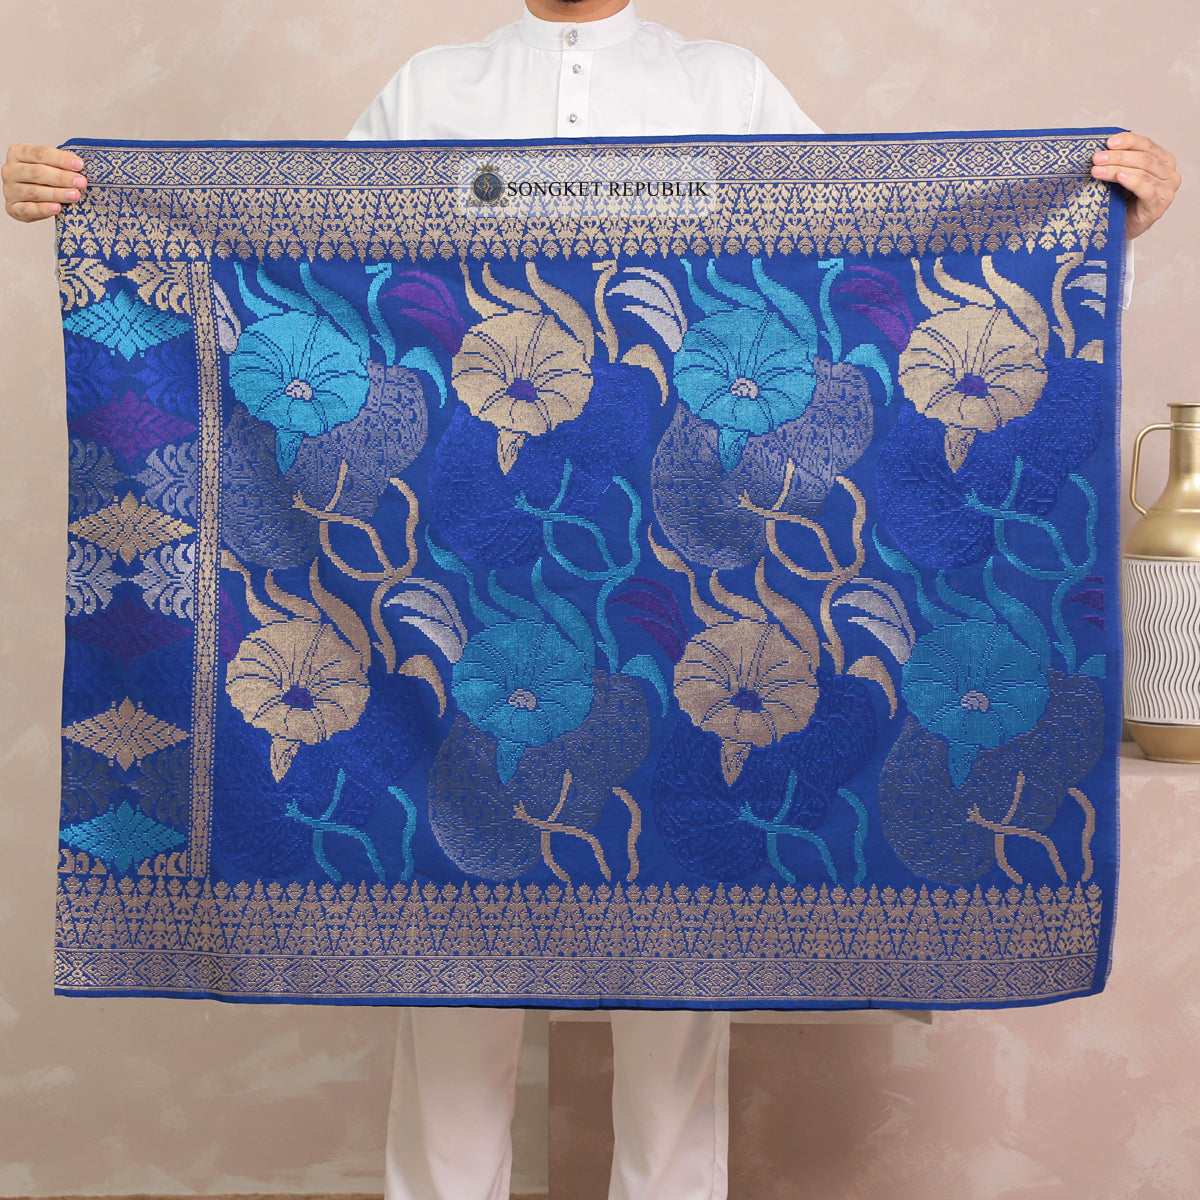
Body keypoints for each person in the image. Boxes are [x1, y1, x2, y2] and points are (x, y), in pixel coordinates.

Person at [1, 2, 1183, 1199]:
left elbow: (870, 261)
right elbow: (298, 279)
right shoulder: (431, 92)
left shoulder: (726, 89)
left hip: (689, 591)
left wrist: (1094, 221)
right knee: (447, 966)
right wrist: (105, 210)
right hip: (468, 572)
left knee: (683, 971)